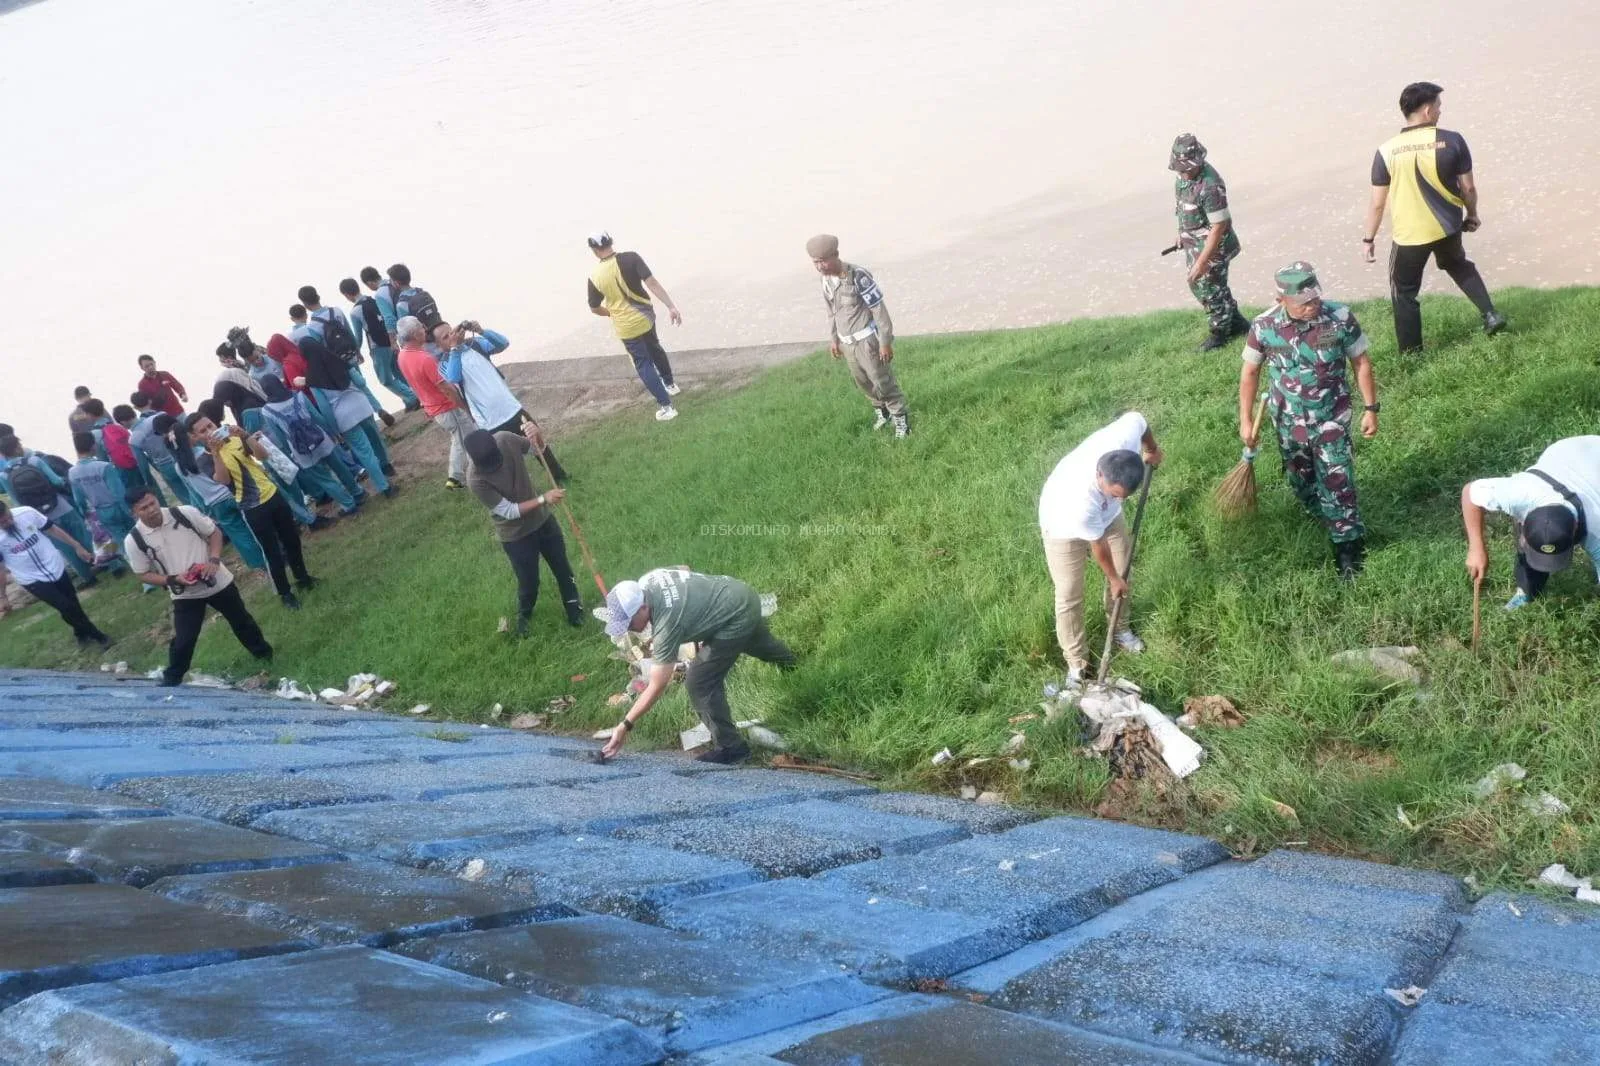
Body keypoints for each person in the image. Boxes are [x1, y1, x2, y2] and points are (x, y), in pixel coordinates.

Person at [1240, 262, 1379, 578]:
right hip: (1289, 422)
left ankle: (1347, 544)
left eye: (1315, 298)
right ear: (1281, 301)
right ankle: (1324, 511)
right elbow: (1249, 373)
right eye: (1304, 303)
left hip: (1331, 417)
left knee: (1336, 478)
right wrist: (1245, 420)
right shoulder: (1264, 327)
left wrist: (1372, 409)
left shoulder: (1339, 318)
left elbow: (1361, 362)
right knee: (1300, 480)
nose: (1313, 306)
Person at [1364, 81, 1507, 354]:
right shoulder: (1453, 140)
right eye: (1439, 106)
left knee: (1404, 291)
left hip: (1409, 237)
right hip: (1448, 227)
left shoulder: (1385, 151)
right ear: (1428, 111)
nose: (1441, 111)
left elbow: (1377, 204)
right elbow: (1469, 188)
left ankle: (1411, 354)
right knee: (1459, 265)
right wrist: (1472, 214)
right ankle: (1490, 315)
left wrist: (1368, 238)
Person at [600, 567, 796, 764]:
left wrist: (625, 725)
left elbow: (657, 684)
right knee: (760, 644)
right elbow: (684, 570)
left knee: (699, 681)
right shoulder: (648, 579)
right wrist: (699, 615)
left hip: (734, 615)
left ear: (643, 607)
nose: (628, 629)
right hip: (740, 593)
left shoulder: (666, 624)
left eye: (629, 622)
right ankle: (796, 669)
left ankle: (732, 747)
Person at [1038, 412, 1162, 681]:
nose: (1115, 498)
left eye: (1121, 496)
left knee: (1124, 569)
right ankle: (1077, 662)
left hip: (1105, 516)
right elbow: (1099, 546)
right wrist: (1113, 579)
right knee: (1070, 593)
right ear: (1099, 474)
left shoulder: (1124, 438)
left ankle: (1119, 629)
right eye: (1112, 493)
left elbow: (1138, 419)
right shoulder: (1082, 499)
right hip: (1061, 523)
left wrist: (1151, 448)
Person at [124, 488, 273, 687]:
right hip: (185, 594)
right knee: (184, 639)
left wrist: (214, 560)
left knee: (242, 621)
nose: (151, 510)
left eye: (152, 503)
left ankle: (266, 657)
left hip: (217, 581)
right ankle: (173, 678)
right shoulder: (134, 540)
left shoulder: (183, 513)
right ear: (134, 513)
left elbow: (214, 533)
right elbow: (142, 574)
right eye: (144, 508)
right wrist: (173, 579)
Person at [187, 411, 318, 609]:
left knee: (292, 539)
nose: (209, 431)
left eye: (210, 425)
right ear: (195, 437)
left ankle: (303, 578)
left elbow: (263, 455)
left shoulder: (233, 438)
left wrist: (244, 435)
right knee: (272, 552)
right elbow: (223, 480)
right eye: (202, 431)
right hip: (252, 507)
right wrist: (216, 453)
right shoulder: (205, 459)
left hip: (272, 494)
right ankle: (285, 594)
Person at [464, 427, 584, 637]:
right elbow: (509, 511)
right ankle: (524, 615)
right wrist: (542, 499)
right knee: (529, 582)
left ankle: (575, 609)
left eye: (497, 461)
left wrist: (537, 434)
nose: (496, 468)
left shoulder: (505, 439)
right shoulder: (475, 480)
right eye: (490, 467)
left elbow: (538, 450)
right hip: (515, 535)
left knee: (562, 568)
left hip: (543, 521)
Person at [1462, 437, 1600, 610]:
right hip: (1565, 452)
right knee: (1530, 556)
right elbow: (1470, 493)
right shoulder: (1516, 493)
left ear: (1575, 528)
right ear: (1523, 523)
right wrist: (1476, 548)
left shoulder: (1596, 529)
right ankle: (1527, 591)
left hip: (1593, 459)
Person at [435, 320, 569, 481]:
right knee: (508, 461)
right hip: (490, 421)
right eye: (445, 337)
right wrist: (455, 348)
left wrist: (482, 331)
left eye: (451, 331)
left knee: (538, 441)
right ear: (439, 346)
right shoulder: (444, 363)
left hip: (511, 407)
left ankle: (560, 477)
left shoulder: (474, 344)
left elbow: (503, 343)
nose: (451, 336)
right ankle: (523, 494)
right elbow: (454, 377)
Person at [805, 234, 909, 437]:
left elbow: (878, 309)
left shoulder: (858, 276)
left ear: (836, 255)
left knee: (882, 381)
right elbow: (831, 312)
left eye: (824, 260)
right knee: (863, 382)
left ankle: (901, 419)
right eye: (816, 262)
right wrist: (834, 339)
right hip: (847, 344)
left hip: (867, 342)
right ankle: (883, 412)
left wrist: (885, 342)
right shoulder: (825, 281)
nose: (820, 266)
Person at [586, 232, 682, 421]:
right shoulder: (632, 257)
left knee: (643, 363)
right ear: (611, 243)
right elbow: (651, 283)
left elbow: (594, 308)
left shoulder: (594, 276)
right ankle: (671, 385)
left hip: (626, 326)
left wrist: (611, 313)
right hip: (645, 317)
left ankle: (667, 407)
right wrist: (671, 306)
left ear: (595, 251)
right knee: (655, 347)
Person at [292, 330, 396, 497]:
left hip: (344, 419)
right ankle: (386, 465)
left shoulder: (311, 378)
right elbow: (361, 382)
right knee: (376, 439)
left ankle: (385, 487)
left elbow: (324, 408)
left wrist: (333, 430)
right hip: (362, 406)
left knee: (365, 453)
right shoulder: (338, 360)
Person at [1169, 134, 1247, 350]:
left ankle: (1219, 333)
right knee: (1214, 286)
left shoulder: (1210, 186)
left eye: (1187, 169)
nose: (1182, 173)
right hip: (1193, 240)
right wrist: (1181, 232)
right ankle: (1238, 323)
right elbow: (1183, 206)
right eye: (1179, 168)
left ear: (1198, 161)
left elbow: (1219, 227)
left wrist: (1202, 262)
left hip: (1214, 246)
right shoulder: (1183, 177)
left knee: (1206, 287)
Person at [0, 499, 109, 649]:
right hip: (31, 578)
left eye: (8, 517)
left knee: (72, 602)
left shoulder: (27, 512)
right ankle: (99, 636)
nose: (9, 522)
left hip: (54, 565)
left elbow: (53, 530)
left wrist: (77, 546)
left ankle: (80, 633)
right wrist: (3, 596)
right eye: (3, 523)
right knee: (64, 606)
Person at [257, 375, 364, 517]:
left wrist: (291, 453)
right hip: (321, 439)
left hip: (301, 450)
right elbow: (316, 416)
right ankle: (357, 492)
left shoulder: (267, 411)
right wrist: (331, 432)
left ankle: (348, 504)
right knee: (340, 468)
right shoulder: (298, 395)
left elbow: (280, 436)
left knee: (324, 479)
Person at [0, 435, 98, 585]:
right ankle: (107, 563)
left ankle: (88, 576)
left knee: (65, 546)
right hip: (60, 505)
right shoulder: (34, 461)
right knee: (84, 535)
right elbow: (56, 481)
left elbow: (16, 500)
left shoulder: (4, 475)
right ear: (17, 447)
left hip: (39, 516)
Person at [296, 288, 395, 427]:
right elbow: (348, 331)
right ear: (318, 296)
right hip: (350, 354)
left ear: (305, 305)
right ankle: (378, 410)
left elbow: (319, 350)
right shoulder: (336, 311)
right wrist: (357, 350)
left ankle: (370, 422)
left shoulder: (312, 326)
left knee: (351, 390)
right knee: (361, 384)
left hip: (335, 363)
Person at [395, 316, 473, 490]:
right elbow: (445, 388)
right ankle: (458, 477)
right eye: (421, 328)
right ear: (415, 334)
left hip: (433, 408)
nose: (425, 329)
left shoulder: (402, 356)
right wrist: (464, 406)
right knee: (466, 439)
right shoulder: (425, 359)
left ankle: (458, 476)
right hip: (447, 408)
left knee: (459, 439)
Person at [343, 275, 419, 411]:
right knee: (400, 373)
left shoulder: (355, 312)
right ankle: (412, 399)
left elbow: (358, 338)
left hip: (377, 347)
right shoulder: (374, 299)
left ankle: (412, 397)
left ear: (347, 295)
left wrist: (357, 351)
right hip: (391, 340)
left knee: (385, 379)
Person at [68, 431, 134, 561]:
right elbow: (119, 493)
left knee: (121, 542)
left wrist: (85, 513)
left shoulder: (72, 472)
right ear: (93, 446)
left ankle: (138, 569)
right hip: (119, 507)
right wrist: (130, 510)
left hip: (101, 511)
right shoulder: (104, 466)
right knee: (137, 535)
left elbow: (79, 500)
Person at [127, 396, 189, 506]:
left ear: (122, 422)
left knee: (183, 495)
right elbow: (180, 430)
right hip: (181, 456)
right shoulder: (159, 416)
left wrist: (149, 482)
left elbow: (143, 465)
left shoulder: (133, 439)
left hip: (165, 466)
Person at [212, 343, 268, 424]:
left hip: (248, 404)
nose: (220, 360)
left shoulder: (233, 371)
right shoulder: (242, 364)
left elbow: (250, 386)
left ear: (228, 357)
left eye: (221, 357)